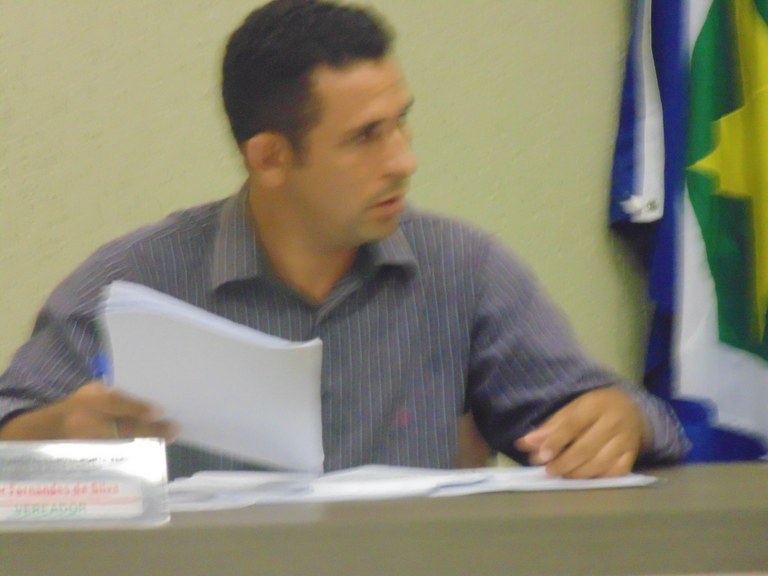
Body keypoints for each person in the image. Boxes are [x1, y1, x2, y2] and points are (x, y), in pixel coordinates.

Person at [0, 0, 688, 479]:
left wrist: (619, 418)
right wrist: (49, 435)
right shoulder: (133, 280)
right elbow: (12, 429)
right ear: (270, 158)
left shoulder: (463, 268)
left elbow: (623, 418)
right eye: (366, 137)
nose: (404, 160)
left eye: (401, 122)